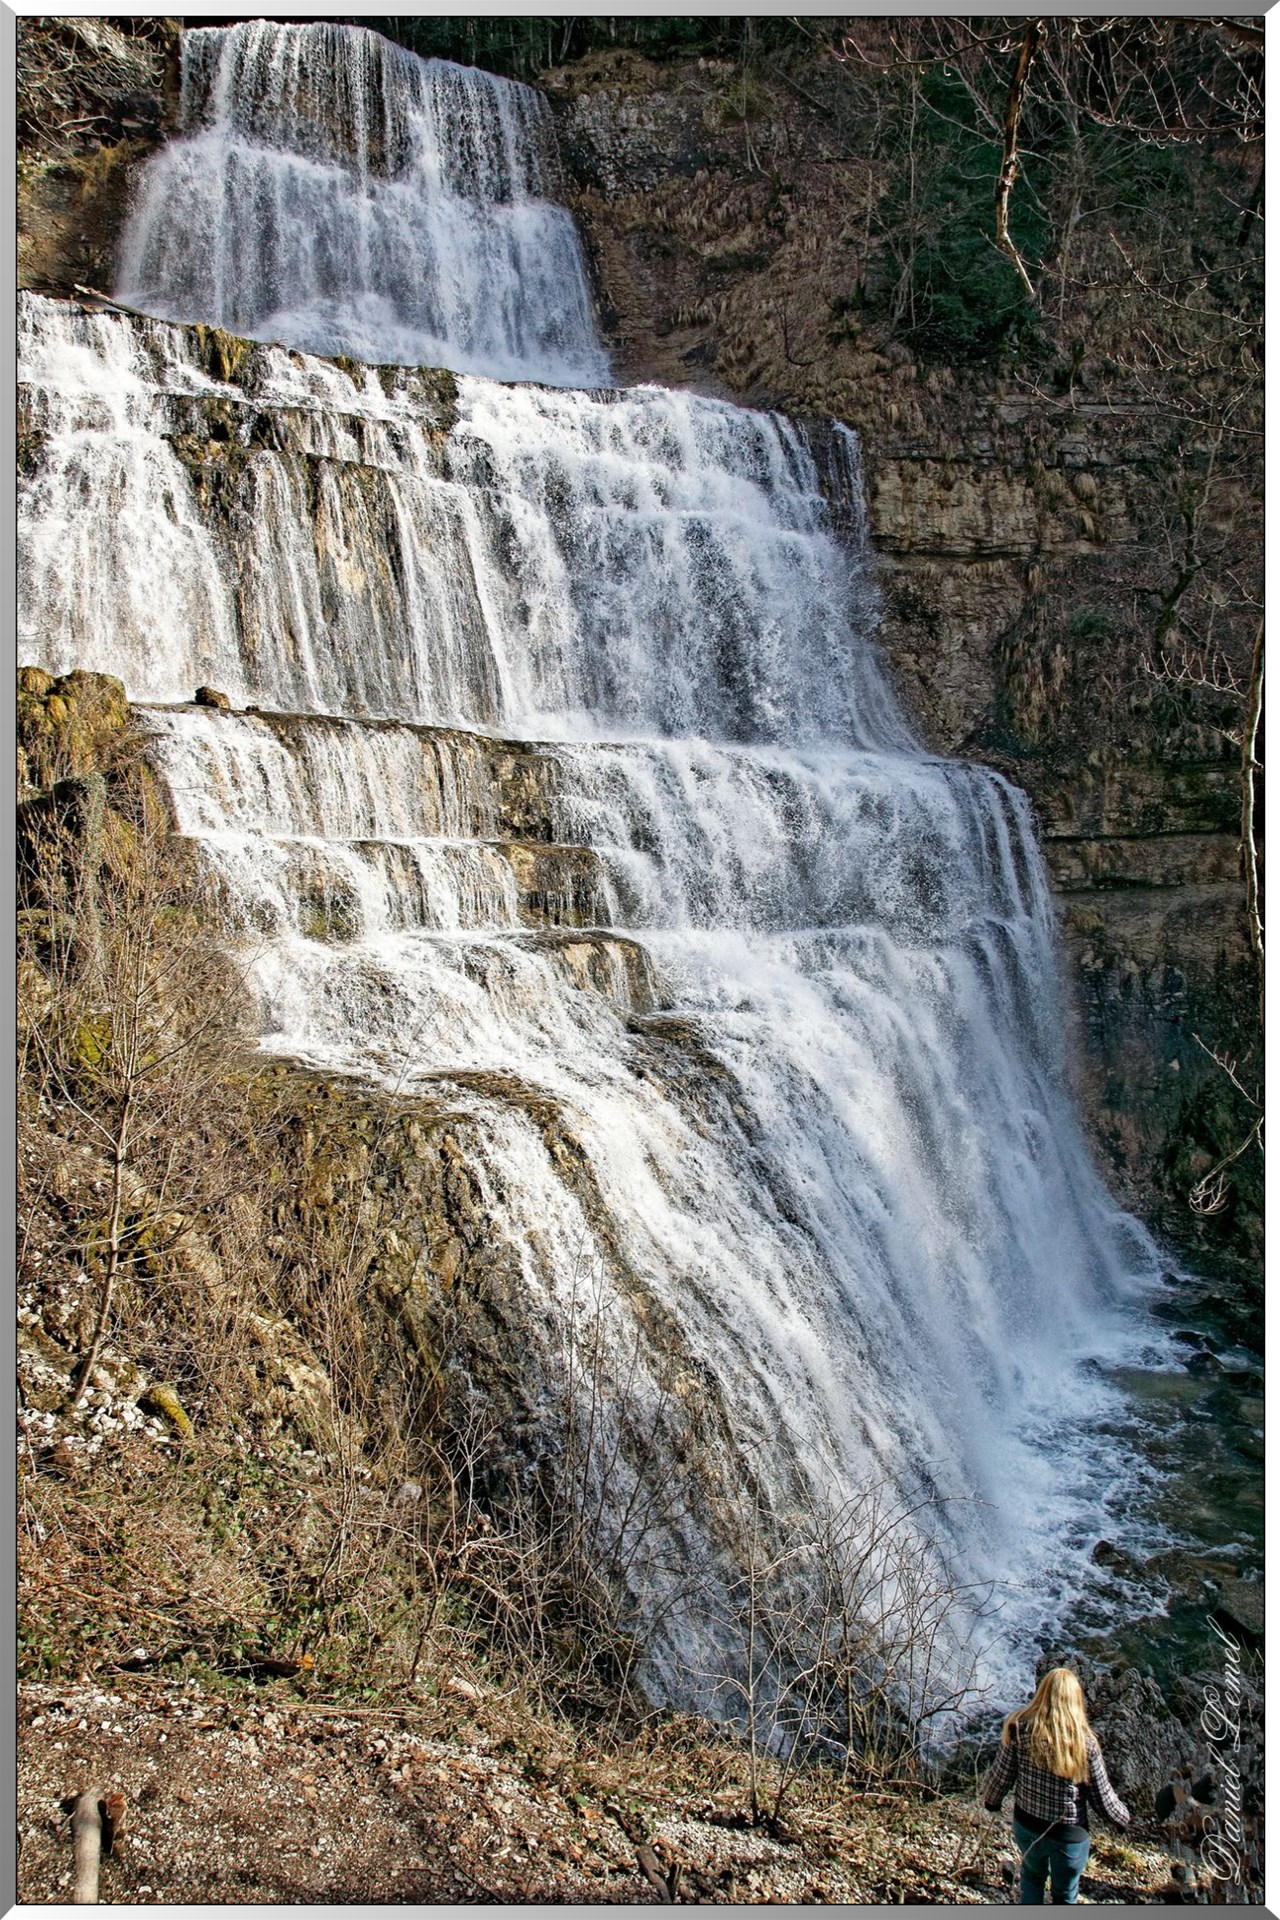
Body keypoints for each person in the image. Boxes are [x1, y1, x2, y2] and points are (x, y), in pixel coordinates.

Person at [981, 1665, 1131, 1904]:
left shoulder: (1019, 1729)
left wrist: (991, 1802)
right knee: (1065, 1894)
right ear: (1075, 1700)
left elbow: (1001, 1776)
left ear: (1042, 1693)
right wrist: (1122, 1820)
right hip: (1067, 1836)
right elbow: (1102, 1799)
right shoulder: (1085, 1744)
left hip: (1028, 1826)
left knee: (1032, 1879)